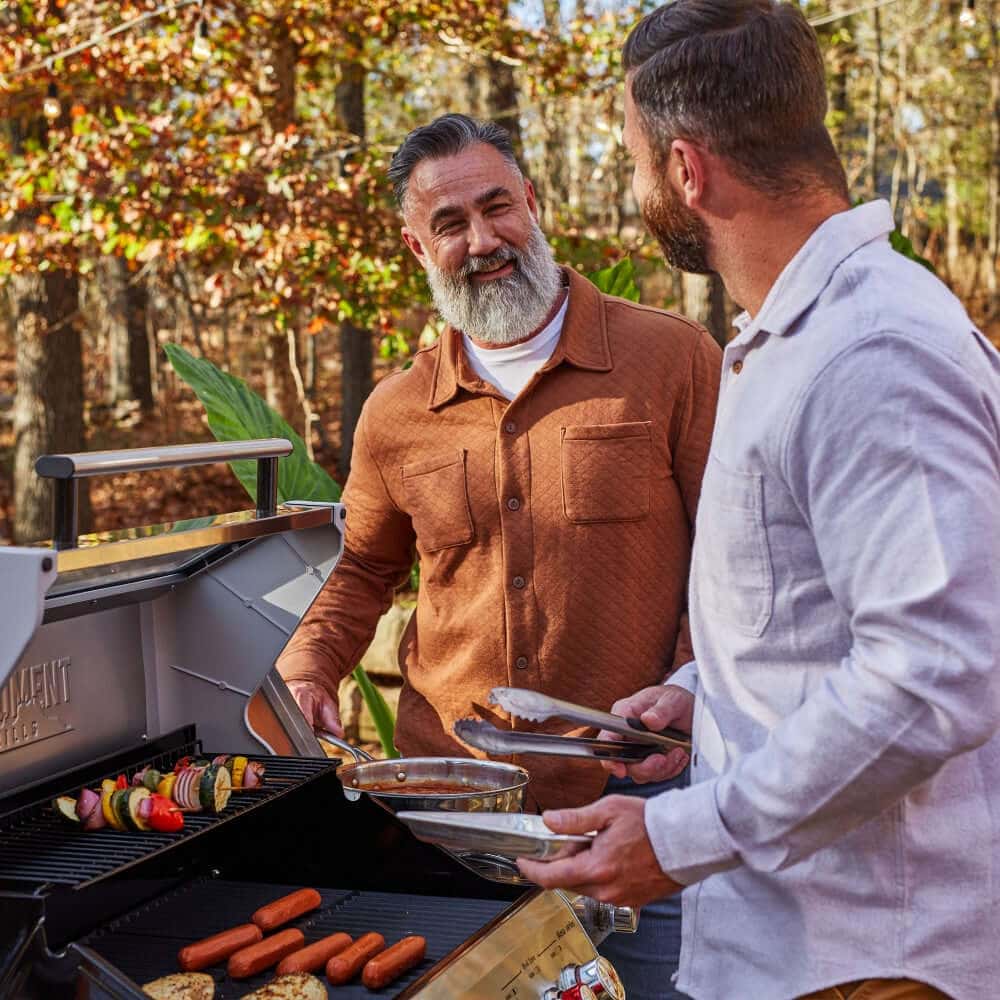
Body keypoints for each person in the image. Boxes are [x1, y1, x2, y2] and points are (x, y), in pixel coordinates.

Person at [518, 3, 1000, 1000]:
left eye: (638, 162)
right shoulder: (794, 336)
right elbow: (836, 610)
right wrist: (704, 696)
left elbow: (931, 673)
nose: (638, 185)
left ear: (687, 171)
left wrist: (686, 834)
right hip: (788, 948)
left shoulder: (873, 349)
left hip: (867, 960)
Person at [276, 113, 721, 997]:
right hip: (451, 820)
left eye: (496, 208)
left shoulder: (671, 358)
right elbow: (363, 570)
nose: (482, 241)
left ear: (534, 202)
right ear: (418, 246)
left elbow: (738, 556)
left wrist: (687, 691)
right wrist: (307, 668)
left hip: (636, 808)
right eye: (450, 224)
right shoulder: (396, 412)